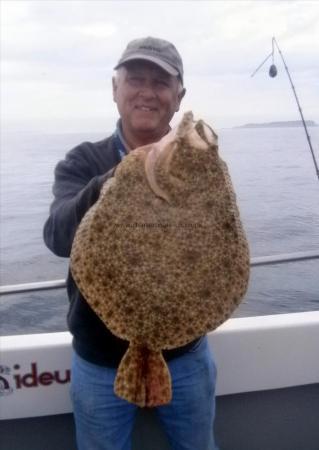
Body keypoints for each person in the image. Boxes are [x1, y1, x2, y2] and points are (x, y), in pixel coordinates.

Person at [43, 36, 219, 450]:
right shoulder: (82, 162)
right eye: (135, 79)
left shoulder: (199, 163)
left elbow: (219, 241)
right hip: (100, 359)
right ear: (114, 90)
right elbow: (57, 237)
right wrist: (117, 179)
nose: (146, 92)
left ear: (179, 98)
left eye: (160, 83)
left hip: (186, 355)